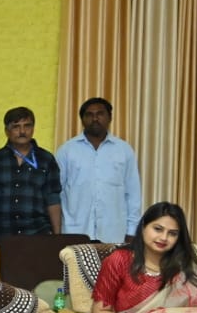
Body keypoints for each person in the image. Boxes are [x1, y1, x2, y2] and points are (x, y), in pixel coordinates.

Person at [56, 97, 141, 243]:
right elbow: (57, 192)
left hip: (114, 234)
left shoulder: (123, 150)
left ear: (110, 118)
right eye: (89, 115)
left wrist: (132, 231)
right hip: (75, 232)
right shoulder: (67, 150)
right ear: (82, 120)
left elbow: (133, 194)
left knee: (113, 267)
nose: (95, 118)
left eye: (100, 114)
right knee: (76, 267)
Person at [0, 106, 62, 258]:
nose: (22, 131)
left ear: (33, 128)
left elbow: (53, 200)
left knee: (38, 281)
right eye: (16, 127)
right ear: (7, 130)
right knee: (4, 280)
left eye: (27, 125)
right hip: (3, 235)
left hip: (37, 233)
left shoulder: (46, 159)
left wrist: (57, 238)